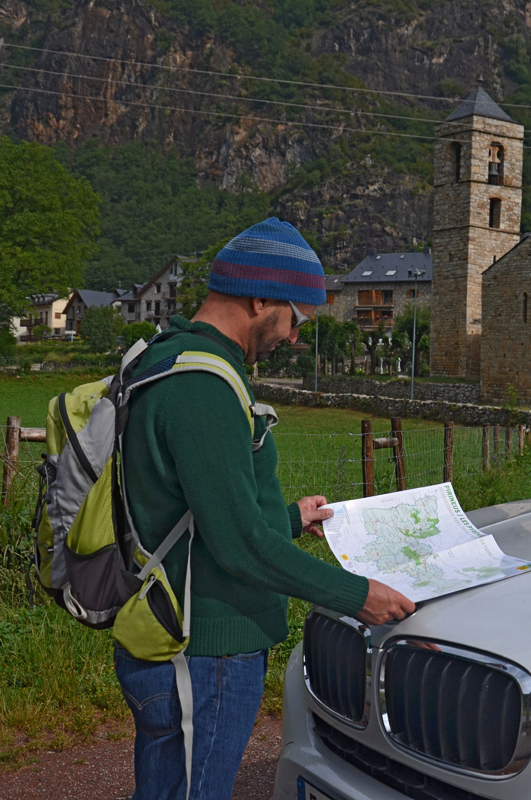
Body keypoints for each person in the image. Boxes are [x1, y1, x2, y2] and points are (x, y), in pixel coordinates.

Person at [115, 217, 414, 800]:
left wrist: (288, 517)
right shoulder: (203, 385)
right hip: (205, 649)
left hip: (174, 635)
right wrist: (359, 596)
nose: (297, 336)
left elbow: (200, 514)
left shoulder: (166, 356)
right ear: (260, 298)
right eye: (296, 318)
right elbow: (240, 544)